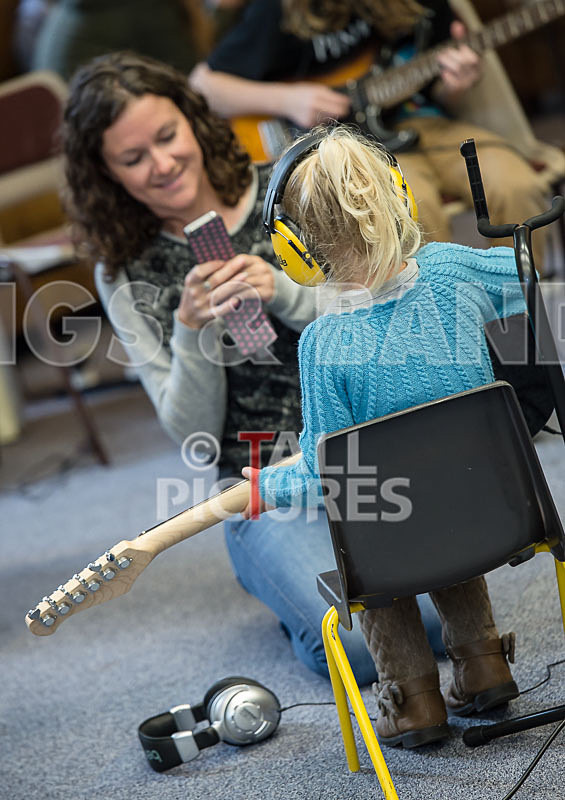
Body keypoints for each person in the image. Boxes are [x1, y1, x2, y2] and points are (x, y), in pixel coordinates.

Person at [60, 50, 444, 685]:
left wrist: (284, 291)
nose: (161, 166)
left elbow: (391, 313)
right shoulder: (123, 270)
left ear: (194, 120)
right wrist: (190, 331)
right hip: (260, 483)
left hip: (365, 449)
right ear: (105, 173)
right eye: (133, 159)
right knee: (362, 649)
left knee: (435, 613)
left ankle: (311, 584)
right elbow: (190, 431)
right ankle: (288, 586)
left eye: (166, 137)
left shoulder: (292, 188)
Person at [241, 125, 522, 747]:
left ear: (295, 249)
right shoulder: (453, 272)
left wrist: (264, 486)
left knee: (371, 534)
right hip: (494, 514)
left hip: (395, 542)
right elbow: (529, 275)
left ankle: (412, 702)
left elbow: (324, 471)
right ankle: (483, 665)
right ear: (400, 190)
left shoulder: (323, 344)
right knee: (443, 493)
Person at [189, 0, 550, 271]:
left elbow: (439, 86)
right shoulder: (277, 12)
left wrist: (457, 82)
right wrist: (289, 100)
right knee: (414, 211)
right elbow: (202, 86)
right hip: (350, 151)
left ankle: (520, 321)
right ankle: (449, 335)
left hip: (421, 123)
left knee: (517, 185)